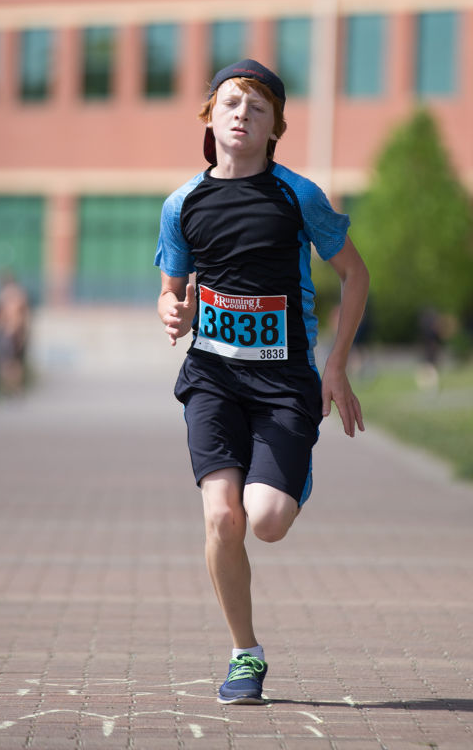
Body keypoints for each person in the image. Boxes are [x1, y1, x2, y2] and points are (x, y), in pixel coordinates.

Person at [155, 59, 369, 705]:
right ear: (209, 117)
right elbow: (171, 293)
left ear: (277, 124)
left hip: (285, 384)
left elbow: (354, 275)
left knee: (266, 521)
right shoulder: (181, 203)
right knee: (224, 519)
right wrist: (173, 310)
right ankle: (245, 654)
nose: (241, 113)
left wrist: (335, 366)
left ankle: (285, 471)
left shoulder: (296, 195)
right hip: (213, 378)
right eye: (230, 103)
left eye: (256, 105)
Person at [0, 271, 30, 394]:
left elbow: (2, 315)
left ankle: (7, 389)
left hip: (8, 331)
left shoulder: (5, 295)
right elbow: (24, 316)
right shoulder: (21, 294)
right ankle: (16, 389)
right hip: (18, 330)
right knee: (16, 362)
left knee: (6, 362)